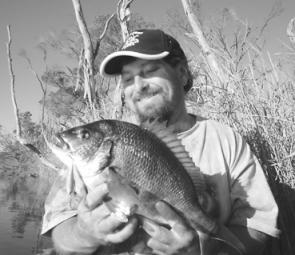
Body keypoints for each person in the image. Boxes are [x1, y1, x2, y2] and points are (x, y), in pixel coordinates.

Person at [41, 29, 280, 255]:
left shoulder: (226, 140)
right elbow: (60, 234)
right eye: (128, 78)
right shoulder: (89, 155)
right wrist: (84, 234)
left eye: (149, 70)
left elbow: (260, 227)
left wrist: (206, 252)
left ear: (182, 73)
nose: (139, 86)